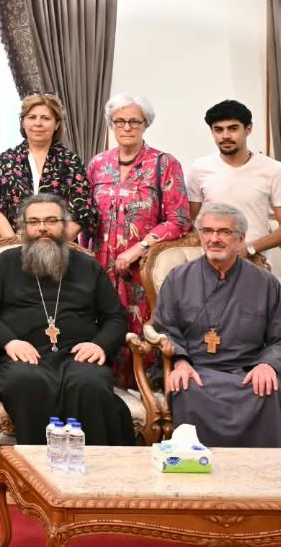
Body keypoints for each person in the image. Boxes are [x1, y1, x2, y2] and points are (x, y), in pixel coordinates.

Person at [0, 193, 134, 447]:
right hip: (23, 357)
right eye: (34, 222)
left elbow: (115, 316)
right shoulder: (4, 264)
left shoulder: (88, 266)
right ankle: (36, 466)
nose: (42, 228)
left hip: (77, 356)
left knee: (89, 382)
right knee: (28, 381)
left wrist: (99, 345)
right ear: (23, 227)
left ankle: (94, 464)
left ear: (64, 225)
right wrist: (10, 341)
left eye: (51, 220)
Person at [155, 203, 281, 447]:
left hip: (247, 370)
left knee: (268, 389)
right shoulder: (178, 279)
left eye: (224, 232)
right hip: (195, 368)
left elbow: (279, 337)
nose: (214, 239)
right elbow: (164, 328)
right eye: (208, 231)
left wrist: (267, 364)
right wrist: (180, 361)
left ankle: (260, 469)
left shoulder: (265, 283)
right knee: (186, 387)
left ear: (240, 239)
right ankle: (196, 465)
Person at [86, 94, 190, 384]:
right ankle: (101, 389)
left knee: (140, 332)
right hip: (100, 266)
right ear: (111, 124)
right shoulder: (97, 164)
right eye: (119, 121)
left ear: (146, 124)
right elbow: (86, 216)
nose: (127, 127)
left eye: (134, 121)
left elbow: (179, 220)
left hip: (141, 269)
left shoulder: (164, 164)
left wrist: (140, 247)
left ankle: (142, 391)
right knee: (98, 325)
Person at [185, 99, 281, 276]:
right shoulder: (200, 168)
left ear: (248, 129)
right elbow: (188, 221)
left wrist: (249, 248)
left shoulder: (273, 170)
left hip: (255, 264)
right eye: (218, 130)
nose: (225, 136)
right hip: (210, 264)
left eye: (233, 128)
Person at [0, 93, 96, 242]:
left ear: (56, 124)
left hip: (61, 246)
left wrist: (56, 243)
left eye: (45, 118)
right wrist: (14, 244)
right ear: (23, 122)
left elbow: (82, 211)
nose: (38, 123)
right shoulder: (5, 161)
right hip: (13, 245)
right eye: (32, 117)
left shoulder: (71, 162)